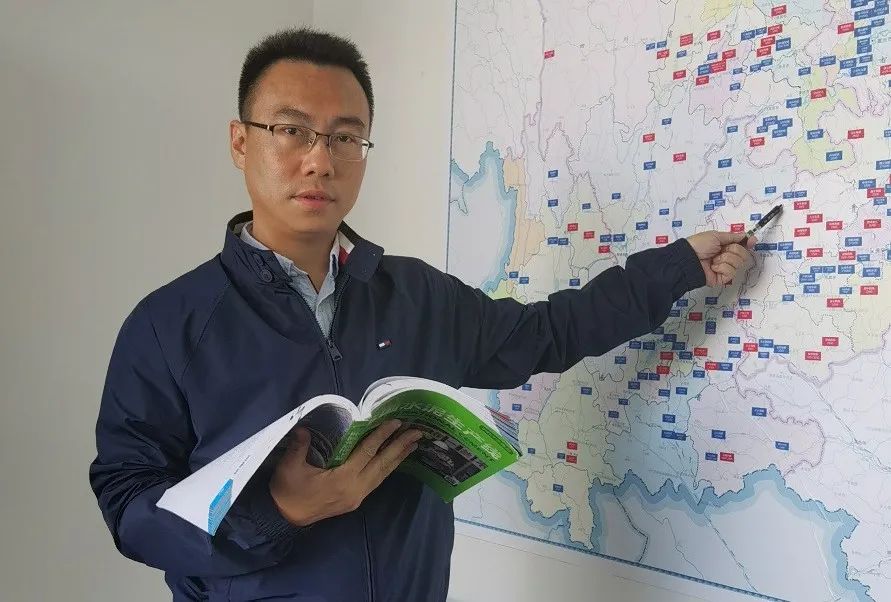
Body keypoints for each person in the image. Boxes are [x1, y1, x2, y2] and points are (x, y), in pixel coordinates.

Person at [89, 27, 756, 602]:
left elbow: (547, 332)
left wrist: (677, 268)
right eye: (291, 131)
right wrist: (282, 512)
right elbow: (128, 502)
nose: (320, 159)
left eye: (345, 137)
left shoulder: (415, 296)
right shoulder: (168, 325)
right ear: (241, 142)